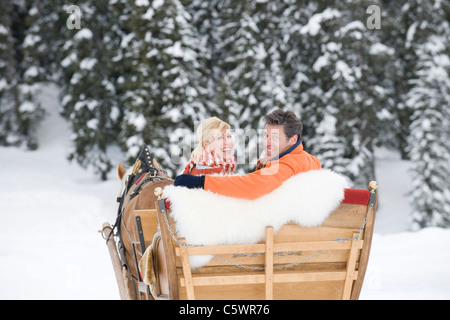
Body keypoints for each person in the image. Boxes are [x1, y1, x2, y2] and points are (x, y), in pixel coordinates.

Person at [175, 109, 321, 200]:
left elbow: (254, 186)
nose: (267, 143)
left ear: (292, 139)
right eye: (266, 136)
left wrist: (201, 183)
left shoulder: (287, 164)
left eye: (275, 137)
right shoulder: (309, 159)